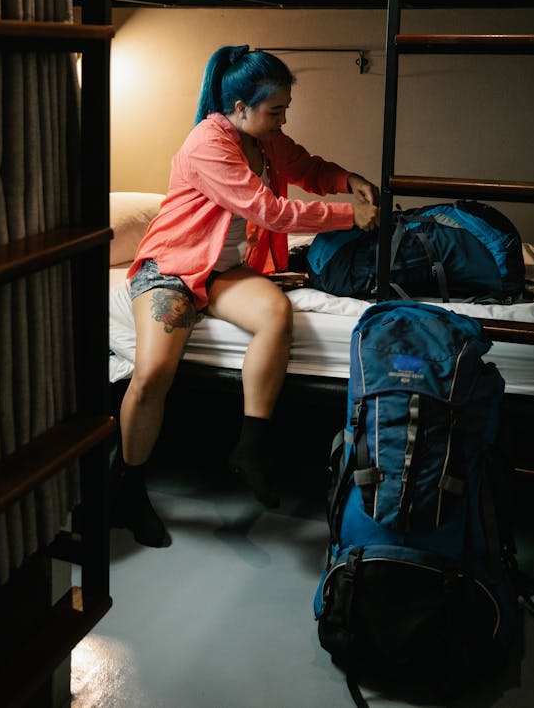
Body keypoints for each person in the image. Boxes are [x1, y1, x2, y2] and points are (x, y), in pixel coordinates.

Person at [113, 45, 379, 546]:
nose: (282, 121)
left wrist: (348, 180)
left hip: (224, 270)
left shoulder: (266, 141)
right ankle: (128, 487)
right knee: (151, 376)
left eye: (284, 110)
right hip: (171, 268)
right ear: (239, 109)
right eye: (275, 111)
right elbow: (271, 211)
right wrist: (349, 215)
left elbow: (308, 167)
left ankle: (249, 446)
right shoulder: (208, 143)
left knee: (275, 313)